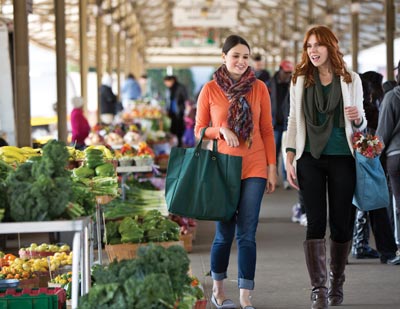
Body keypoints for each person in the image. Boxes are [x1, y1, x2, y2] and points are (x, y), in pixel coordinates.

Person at [285, 25, 367, 308]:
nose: (313, 51)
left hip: (344, 157)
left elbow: (361, 121)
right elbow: (294, 120)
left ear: (331, 46)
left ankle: (337, 281)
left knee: (341, 225)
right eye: (309, 46)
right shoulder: (300, 80)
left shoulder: (350, 79)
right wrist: (289, 154)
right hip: (309, 157)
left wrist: (357, 120)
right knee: (316, 223)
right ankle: (319, 289)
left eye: (318, 45)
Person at [195, 34, 276, 309]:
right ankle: (218, 291)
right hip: (223, 170)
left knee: (247, 233)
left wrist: (272, 167)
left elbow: (266, 130)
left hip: (254, 166)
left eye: (245, 56)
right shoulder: (209, 90)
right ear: (224, 57)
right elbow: (198, 130)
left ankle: (245, 295)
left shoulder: (260, 88)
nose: (241, 61)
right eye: (235, 56)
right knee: (224, 233)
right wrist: (220, 130)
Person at [376, 59, 400, 265]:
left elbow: (383, 131)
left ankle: (398, 247)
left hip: (396, 156)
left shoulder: (393, 96)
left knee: (397, 204)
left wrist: (372, 153)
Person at [270, 60, 294, 189]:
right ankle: (273, 175)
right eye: (286, 72)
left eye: (290, 72)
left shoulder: (293, 84)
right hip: (273, 123)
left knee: (286, 152)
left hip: (286, 124)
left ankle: (286, 178)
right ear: (280, 70)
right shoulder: (270, 83)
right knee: (273, 152)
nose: (288, 75)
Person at [164, 75, 188, 147]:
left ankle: (179, 143)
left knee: (179, 127)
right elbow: (167, 100)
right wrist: (167, 109)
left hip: (179, 110)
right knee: (173, 127)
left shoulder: (181, 87)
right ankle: (174, 143)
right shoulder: (169, 89)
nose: (166, 84)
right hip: (172, 111)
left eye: (167, 82)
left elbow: (185, 98)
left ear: (172, 81)